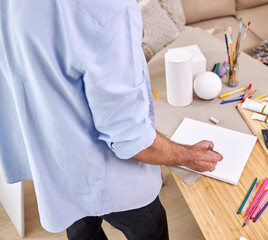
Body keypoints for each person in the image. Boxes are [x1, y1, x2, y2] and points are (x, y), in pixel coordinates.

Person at [0, 0, 223, 239]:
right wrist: (186, 155)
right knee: (149, 229)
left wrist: (119, 41)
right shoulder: (110, 8)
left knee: (82, 230)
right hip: (114, 176)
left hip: (60, 167)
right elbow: (132, 138)